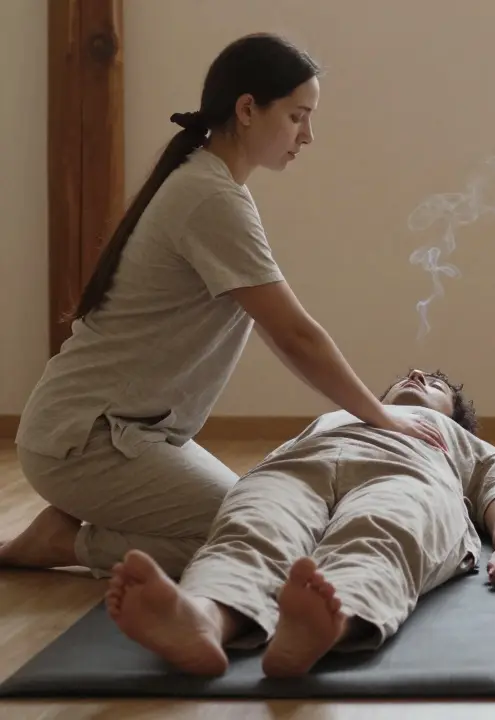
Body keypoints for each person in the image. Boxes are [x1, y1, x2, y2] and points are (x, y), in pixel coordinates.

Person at [4, 33, 447, 578]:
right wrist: (380, 417)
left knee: (264, 521)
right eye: (296, 116)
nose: (307, 135)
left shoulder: (209, 184)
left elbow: (286, 331)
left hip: (125, 436)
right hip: (85, 441)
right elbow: (294, 336)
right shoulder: (210, 197)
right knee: (260, 538)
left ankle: (71, 529)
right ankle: (65, 544)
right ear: (246, 110)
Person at [104, 368, 495, 678]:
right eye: (409, 375)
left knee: (383, 532)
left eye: (435, 384)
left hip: (408, 476)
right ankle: (204, 620)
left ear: (451, 415)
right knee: (254, 527)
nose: (417, 376)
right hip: (298, 470)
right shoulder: (336, 417)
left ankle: (329, 624)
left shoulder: (453, 438)